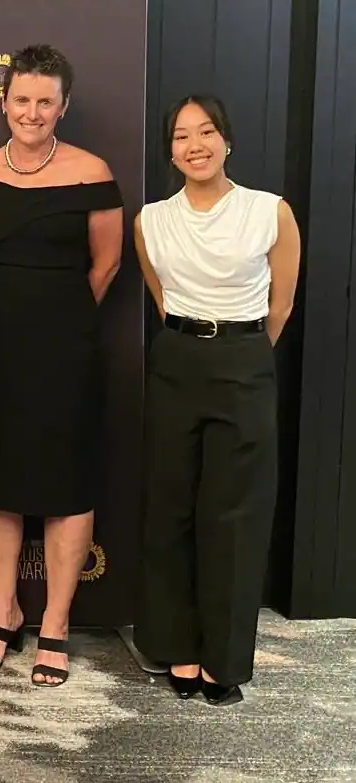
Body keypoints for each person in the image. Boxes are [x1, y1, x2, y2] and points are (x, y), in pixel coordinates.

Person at [0, 44, 124, 687]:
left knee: (67, 485)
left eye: (45, 102)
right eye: (22, 100)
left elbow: (106, 264)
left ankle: (55, 624)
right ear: (4, 102)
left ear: (64, 106)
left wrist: (60, 319)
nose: (32, 112)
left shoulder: (91, 171)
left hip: (67, 354)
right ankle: (4, 613)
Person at [133, 95, 300, 706]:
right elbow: (161, 296)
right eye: (181, 136)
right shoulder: (150, 220)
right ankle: (175, 646)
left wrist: (240, 351)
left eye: (206, 132)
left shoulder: (268, 211)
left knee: (234, 515)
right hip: (177, 360)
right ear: (170, 150)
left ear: (227, 140)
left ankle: (222, 659)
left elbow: (281, 304)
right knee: (171, 507)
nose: (195, 145)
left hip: (244, 361)